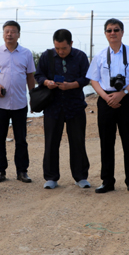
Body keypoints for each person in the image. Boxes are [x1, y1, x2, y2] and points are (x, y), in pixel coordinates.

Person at [86, 18, 129, 195]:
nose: (112, 33)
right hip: (106, 100)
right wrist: (106, 97)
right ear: (105, 33)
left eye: (116, 29)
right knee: (106, 142)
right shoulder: (99, 56)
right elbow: (94, 80)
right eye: (109, 30)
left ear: (122, 32)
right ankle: (107, 181)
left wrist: (123, 93)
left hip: (127, 99)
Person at [35, 29, 91, 189]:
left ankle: (81, 176)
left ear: (71, 44)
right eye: (57, 48)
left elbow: (87, 78)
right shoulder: (46, 56)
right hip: (52, 106)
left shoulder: (80, 56)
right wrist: (47, 82)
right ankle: (51, 177)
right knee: (51, 142)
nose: (60, 52)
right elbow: (38, 75)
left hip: (75, 106)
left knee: (78, 142)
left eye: (64, 48)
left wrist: (71, 85)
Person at [0, 20, 36, 183]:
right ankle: (0, 171)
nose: (9, 34)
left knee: (21, 139)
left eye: (13, 31)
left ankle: (22, 171)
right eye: (7, 31)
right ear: (3, 34)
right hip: (0, 104)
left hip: (20, 103)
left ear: (18, 34)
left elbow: (30, 76)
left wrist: (33, 97)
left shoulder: (26, 53)